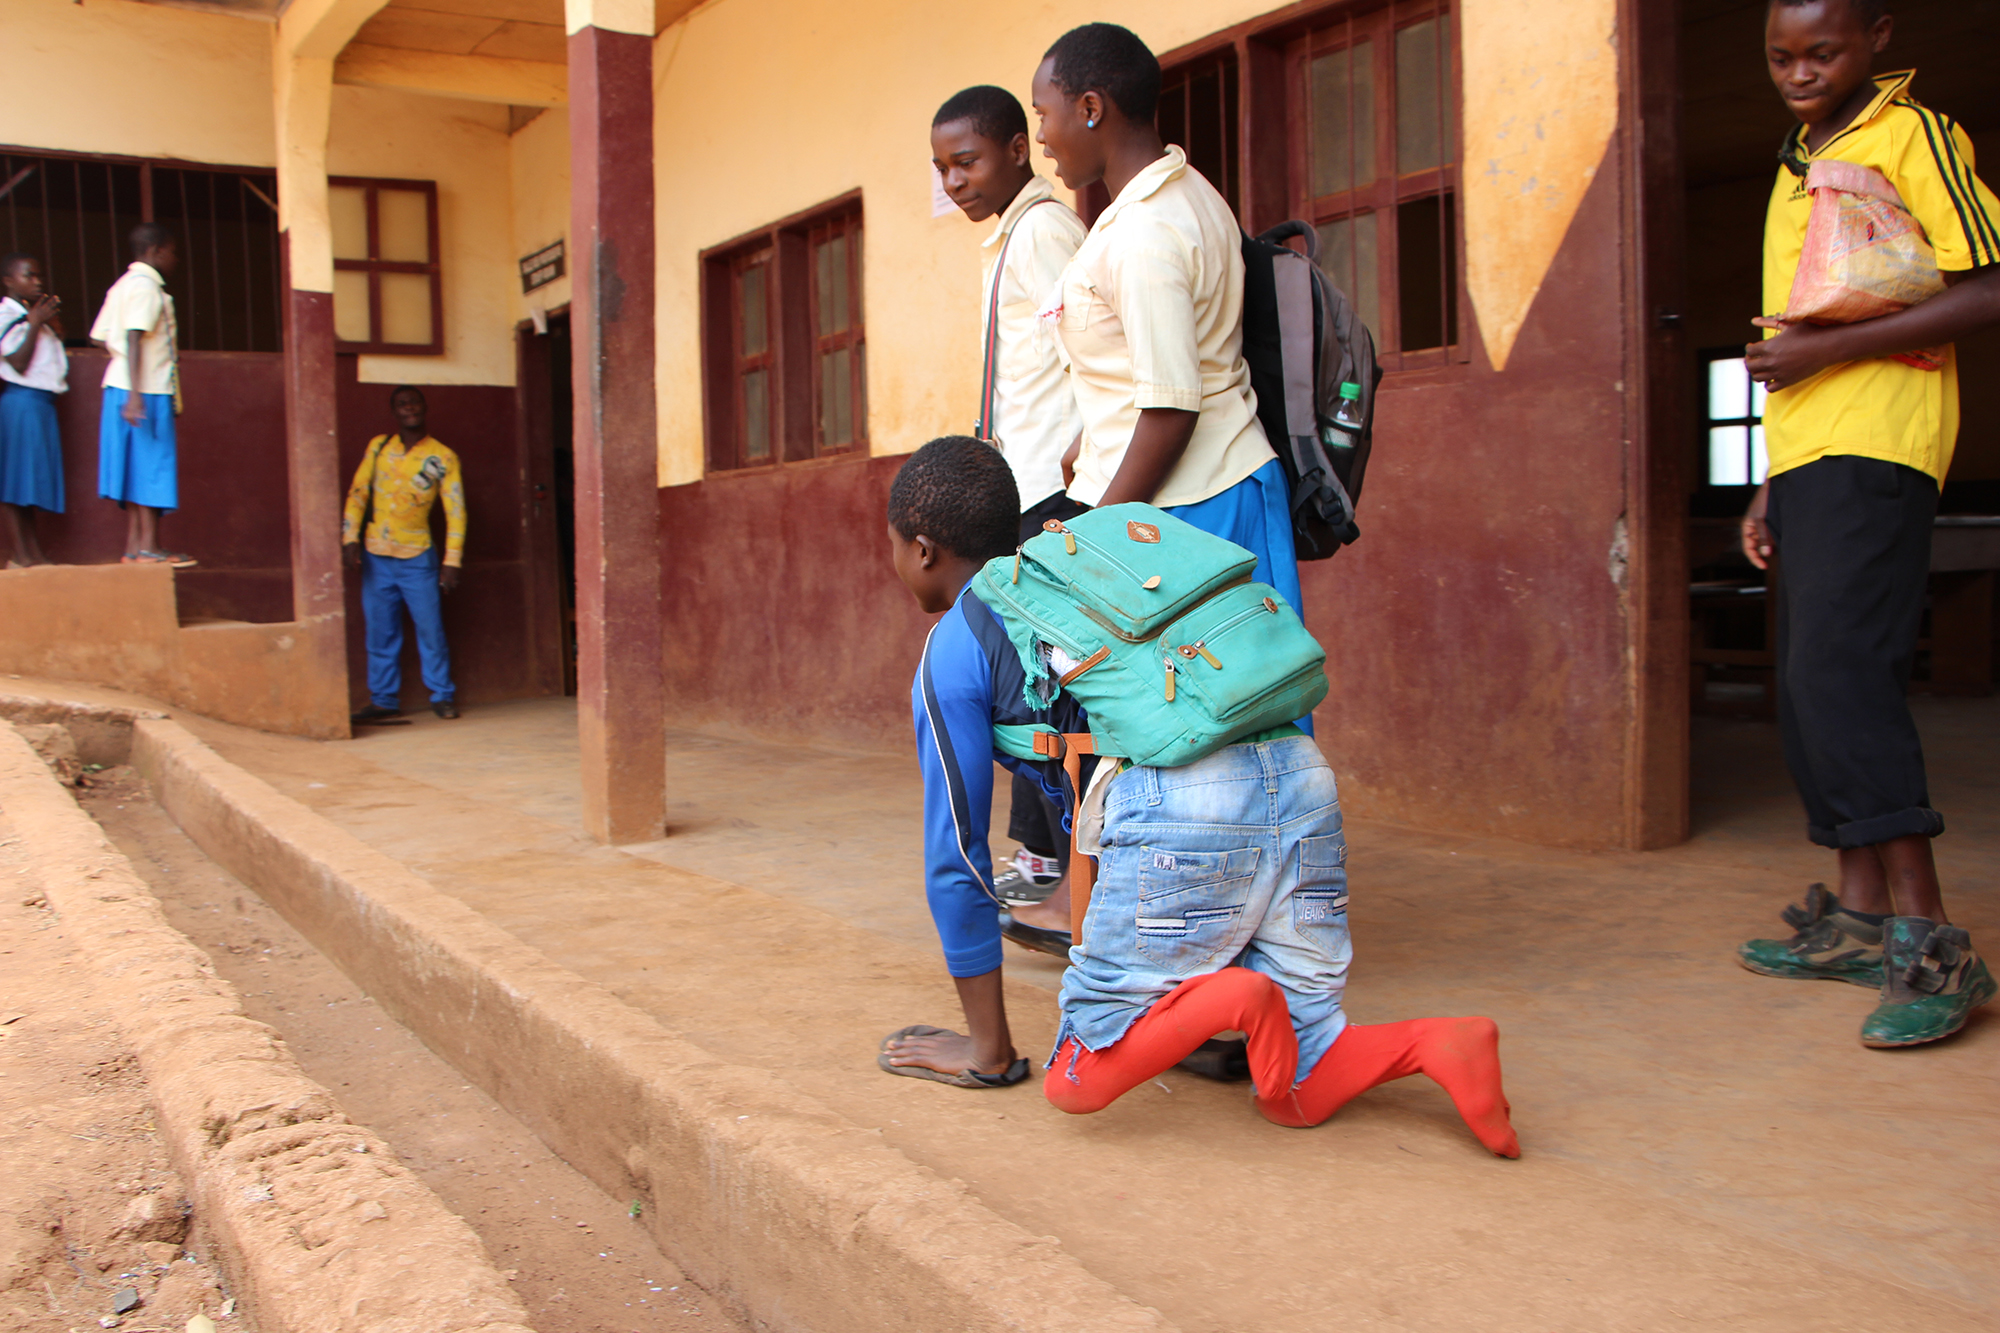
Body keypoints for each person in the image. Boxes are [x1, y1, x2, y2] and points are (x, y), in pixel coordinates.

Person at [877, 436, 1518, 1158]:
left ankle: (1235, 996)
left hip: (1188, 810)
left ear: (923, 550)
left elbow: (956, 854)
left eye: (894, 547)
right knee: (1299, 1086)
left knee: (1076, 1080)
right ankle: (1439, 1044)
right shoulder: (1083, 572)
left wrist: (987, 1048)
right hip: (1300, 776)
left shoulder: (952, 648)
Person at [1008, 22, 1308, 951]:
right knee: (1230, 732)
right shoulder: (1186, 198)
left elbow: (1170, 410)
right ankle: (1213, 920)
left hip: (1185, 513)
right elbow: (1142, 385)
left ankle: (1207, 931)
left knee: (1189, 731)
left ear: (1091, 107)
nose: (1045, 134)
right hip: (1207, 494)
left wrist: (1092, 536)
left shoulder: (1143, 233)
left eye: (1046, 112)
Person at [1735, 0, 2000, 1047]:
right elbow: (1807, 326)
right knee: (1806, 682)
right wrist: (1766, 482)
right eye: (1778, 56)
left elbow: (1985, 290)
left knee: (1843, 674)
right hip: (1808, 452)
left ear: (1876, 37)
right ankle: (1854, 918)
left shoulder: (1912, 135)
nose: (1797, 72)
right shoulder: (1799, 158)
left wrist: (1821, 358)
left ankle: (1932, 938)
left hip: (1881, 439)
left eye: (1821, 51)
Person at [931, 84, 1090, 910]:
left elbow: (1097, 345)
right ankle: (1042, 848)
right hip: (1019, 492)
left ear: (1017, 150)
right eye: (942, 169)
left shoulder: (1046, 234)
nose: (953, 181)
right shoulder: (1013, 238)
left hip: (1055, 495)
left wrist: (1086, 450)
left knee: (1049, 683)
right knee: (1027, 677)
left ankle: (1053, 853)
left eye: (966, 161)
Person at [342, 385, 466, 725]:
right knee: (380, 631)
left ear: (424, 407)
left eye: (413, 402)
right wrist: (349, 536)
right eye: (401, 404)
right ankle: (384, 700)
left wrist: (451, 561)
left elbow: (456, 511)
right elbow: (358, 491)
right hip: (376, 555)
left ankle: (442, 695)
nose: (408, 408)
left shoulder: (443, 457)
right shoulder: (379, 447)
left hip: (418, 557)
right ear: (394, 412)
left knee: (430, 630)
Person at [90, 223, 193, 568]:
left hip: (120, 386)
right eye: (172, 251)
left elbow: (99, 335)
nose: (175, 258)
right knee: (153, 467)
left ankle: (135, 547)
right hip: (145, 390)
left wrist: (123, 375)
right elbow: (135, 336)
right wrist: (136, 394)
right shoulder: (148, 288)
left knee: (136, 468)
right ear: (156, 251)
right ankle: (150, 547)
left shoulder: (121, 286)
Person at [0, 254, 67, 567]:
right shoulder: (6, 315)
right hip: (21, 402)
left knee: (27, 481)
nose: (37, 281)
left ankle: (32, 553)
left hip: (40, 405)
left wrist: (45, 322)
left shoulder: (30, 315)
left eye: (38, 276)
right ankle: (20, 554)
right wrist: (34, 323)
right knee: (14, 482)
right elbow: (17, 362)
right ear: (9, 281)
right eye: (29, 276)